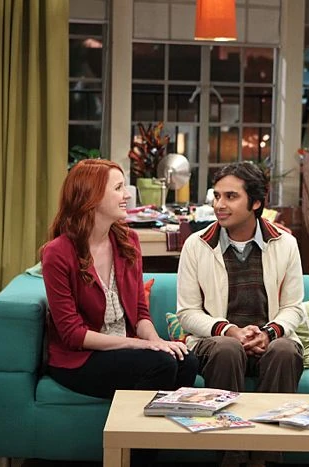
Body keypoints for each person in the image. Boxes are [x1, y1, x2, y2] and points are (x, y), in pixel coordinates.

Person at [176, 161, 304, 467]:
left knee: (285, 351)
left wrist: (268, 334)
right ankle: (230, 457)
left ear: (256, 202)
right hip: (217, 343)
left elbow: (294, 307)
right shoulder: (196, 245)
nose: (219, 205)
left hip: (268, 340)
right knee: (228, 349)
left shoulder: (285, 244)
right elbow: (187, 312)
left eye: (231, 196)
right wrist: (230, 330)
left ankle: (266, 457)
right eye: (217, 196)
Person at [41, 159, 198, 400]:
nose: (127, 195)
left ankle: (166, 421)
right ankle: (135, 424)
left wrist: (157, 341)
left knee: (186, 359)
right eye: (118, 188)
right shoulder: (57, 252)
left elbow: (140, 312)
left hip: (122, 349)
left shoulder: (128, 241)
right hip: (79, 359)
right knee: (161, 364)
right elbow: (73, 335)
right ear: (91, 197)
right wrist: (142, 345)